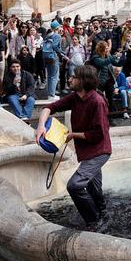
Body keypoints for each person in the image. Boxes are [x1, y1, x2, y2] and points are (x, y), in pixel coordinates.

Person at [36, 65, 111, 230]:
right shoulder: (75, 97)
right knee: (92, 186)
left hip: (99, 151)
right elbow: (49, 108)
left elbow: (98, 134)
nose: (69, 79)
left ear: (83, 81)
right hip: (86, 151)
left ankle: (93, 222)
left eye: (73, 77)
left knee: (75, 185)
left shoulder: (97, 102)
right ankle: (103, 213)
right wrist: (41, 126)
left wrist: (72, 135)